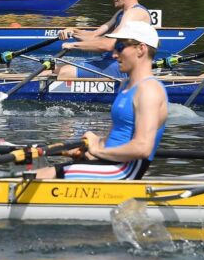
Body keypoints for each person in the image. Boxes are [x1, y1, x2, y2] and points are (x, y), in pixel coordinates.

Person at [35, 22, 167, 181]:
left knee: (40, 176)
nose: (114, 55)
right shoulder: (125, 85)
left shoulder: (149, 90)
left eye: (119, 47)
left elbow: (142, 148)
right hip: (108, 163)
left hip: (124, 172)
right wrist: (94, 143)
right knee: (31, 161)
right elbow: (113, 140)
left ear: (141, 49)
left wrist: (98, 151)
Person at [56, 0, 151, 80]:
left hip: (123, 67)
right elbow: (93, 35)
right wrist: (73, 31)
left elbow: (109, 44)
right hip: (109, 62)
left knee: (65, 72)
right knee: (53, 69)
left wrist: (73, 45)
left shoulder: (136, 13)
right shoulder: (120, 13)